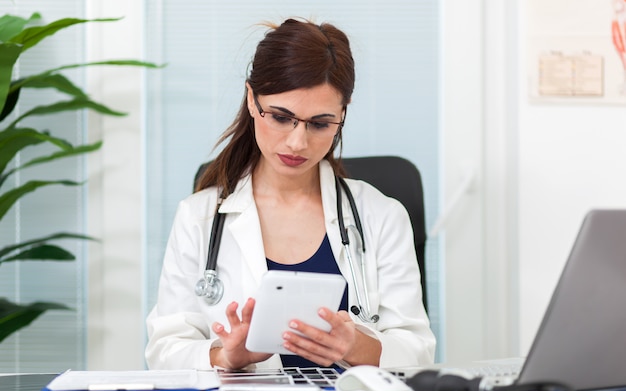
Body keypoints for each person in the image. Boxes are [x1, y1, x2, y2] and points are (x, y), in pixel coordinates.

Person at [145, 18, 436, 371]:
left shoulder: (382, 216)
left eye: (320, 123)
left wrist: (356, 345)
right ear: (252, 100)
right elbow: (165, 352)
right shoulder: (198, 218)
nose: (298, 143)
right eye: (281, 117)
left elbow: (418, 352)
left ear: (342, 115)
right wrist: (224, 356)